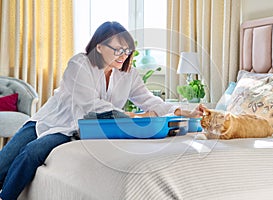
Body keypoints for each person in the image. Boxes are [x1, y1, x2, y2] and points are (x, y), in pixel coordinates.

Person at [0, 21, 203, 200]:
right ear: (98, 47)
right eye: (117, 49)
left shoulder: (128, 75)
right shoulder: (79, 64)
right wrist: (134, 116)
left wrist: (184, 112)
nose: (123, 55)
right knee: (4, 162)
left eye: (127, 50)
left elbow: (149, 100)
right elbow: (90, 105)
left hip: (74, 129)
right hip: (50, 119)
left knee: (31, 152)